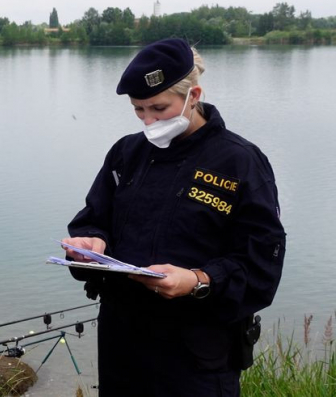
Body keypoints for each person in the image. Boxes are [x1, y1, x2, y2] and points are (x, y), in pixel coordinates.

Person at [62, 38, 286, 397]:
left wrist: (198, 280)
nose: (149, 121)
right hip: (123, 346)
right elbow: (94, 217)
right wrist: (90, 242)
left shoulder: (240, 162)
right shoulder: (126, 153)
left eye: (159, 108)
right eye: (138, 110)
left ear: (193, 95)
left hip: (197, 356)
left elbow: (261, 266)